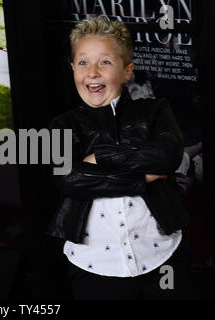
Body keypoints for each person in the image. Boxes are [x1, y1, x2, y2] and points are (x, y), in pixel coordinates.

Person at [47, 16, 193, 300]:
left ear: (127, 71)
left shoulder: (155, 110)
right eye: (83, 62)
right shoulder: (62, 125)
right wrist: (140, 178)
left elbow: (166, 155)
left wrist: (98, 156)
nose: (92, 72)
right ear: (72, 68)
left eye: (105, 62)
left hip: (162, 257)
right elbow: (67, 177)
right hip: (92, 265)